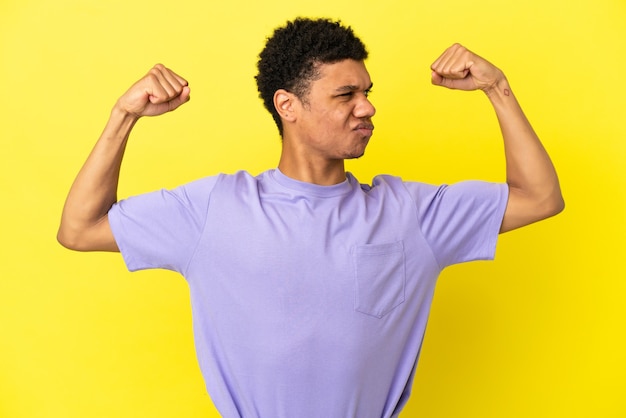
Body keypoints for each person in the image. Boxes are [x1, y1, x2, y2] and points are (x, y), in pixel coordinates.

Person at [58, 17, 564, 418]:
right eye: (346, 95)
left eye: (367, 92)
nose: (366, 109)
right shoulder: (215, 209)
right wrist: (123, 116)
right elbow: (80, 229)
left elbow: (539, 197)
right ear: (288, 106)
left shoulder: (411, 214)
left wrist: (497, 87)